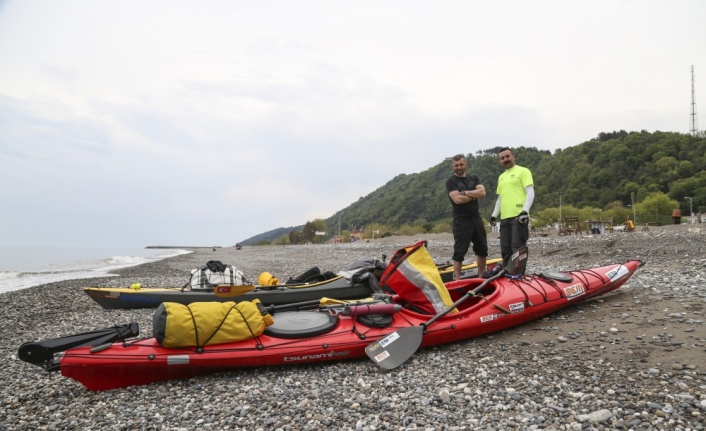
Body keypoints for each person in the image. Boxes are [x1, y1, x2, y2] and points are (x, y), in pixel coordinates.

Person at [489, 148, 534, 274]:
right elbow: (500, 198)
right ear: (500, 161)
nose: (505, 159)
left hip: (518, 217)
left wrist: (525, 211)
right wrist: (494, 215)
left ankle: (518, 276)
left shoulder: (523, 171)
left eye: (507, 156)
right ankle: (508, 276)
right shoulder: (501, 177)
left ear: (514, 157)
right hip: (504, 219)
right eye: (502, 158)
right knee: (506, 250)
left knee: (517, 249)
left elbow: (530, 191)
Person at [445, 154, 488, 280]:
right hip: (461, 220)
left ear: (466, 165)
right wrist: (474, 195)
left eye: (461, 164)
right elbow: (457, 199)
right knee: (459, 251)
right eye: (456, 165)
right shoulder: (451, 181)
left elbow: (483, 192)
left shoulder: (474, 178)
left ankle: (481, 278)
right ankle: (457, 280)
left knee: (482, 249)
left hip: (476, 218)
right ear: (452, 166)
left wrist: (465, 193)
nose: (459, 167)